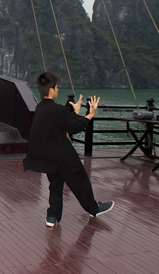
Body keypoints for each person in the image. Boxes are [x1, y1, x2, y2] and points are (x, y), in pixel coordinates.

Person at [23, 72, 114, 227]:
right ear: (51, 90)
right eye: (57, 88)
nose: (58, 90)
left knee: (56, 185)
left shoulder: (40, 108)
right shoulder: (57, 109)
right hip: (62, 154)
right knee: (80, 179)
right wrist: (89, 116)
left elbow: (62, 121)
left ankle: (52, 217)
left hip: (48, 156)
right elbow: (72, 128)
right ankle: (94, 208)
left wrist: (74, 113)